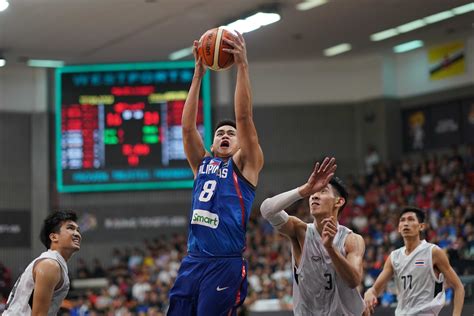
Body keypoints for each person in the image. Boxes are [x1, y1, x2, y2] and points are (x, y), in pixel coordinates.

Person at [167, 30, 264, 316]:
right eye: (220, 132)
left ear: (240, 143)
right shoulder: (203, 164)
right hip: (193, 261)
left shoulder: (246, 165)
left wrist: (243, 66)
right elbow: (186, 129)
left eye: (231, 133)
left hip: (225, 263)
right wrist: (198, 75)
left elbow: (244, 117)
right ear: (211, 143)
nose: (225, 135)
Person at [260, 157, 365, 316]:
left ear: (339, 202)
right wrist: (303, 190)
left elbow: (353, 281)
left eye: (322, 191)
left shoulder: (352, 239)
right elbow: (267, 210)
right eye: (312, 193)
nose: (314, 196)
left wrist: (330, 248)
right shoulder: (300, 231)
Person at [364, 206, 464, 316]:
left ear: (421, 226)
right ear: (398, 228)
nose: (406, 223)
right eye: (402, 220)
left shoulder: (433, 252)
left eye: (411, 219)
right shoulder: (394, 257)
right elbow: (375, 289)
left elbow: (459, 287)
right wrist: (370, 292)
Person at [3, 210, 81, 316]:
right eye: (70, 228)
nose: (77, 233)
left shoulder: (53, 262)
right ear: (54, 237)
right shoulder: (50, 265)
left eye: (78, 230)